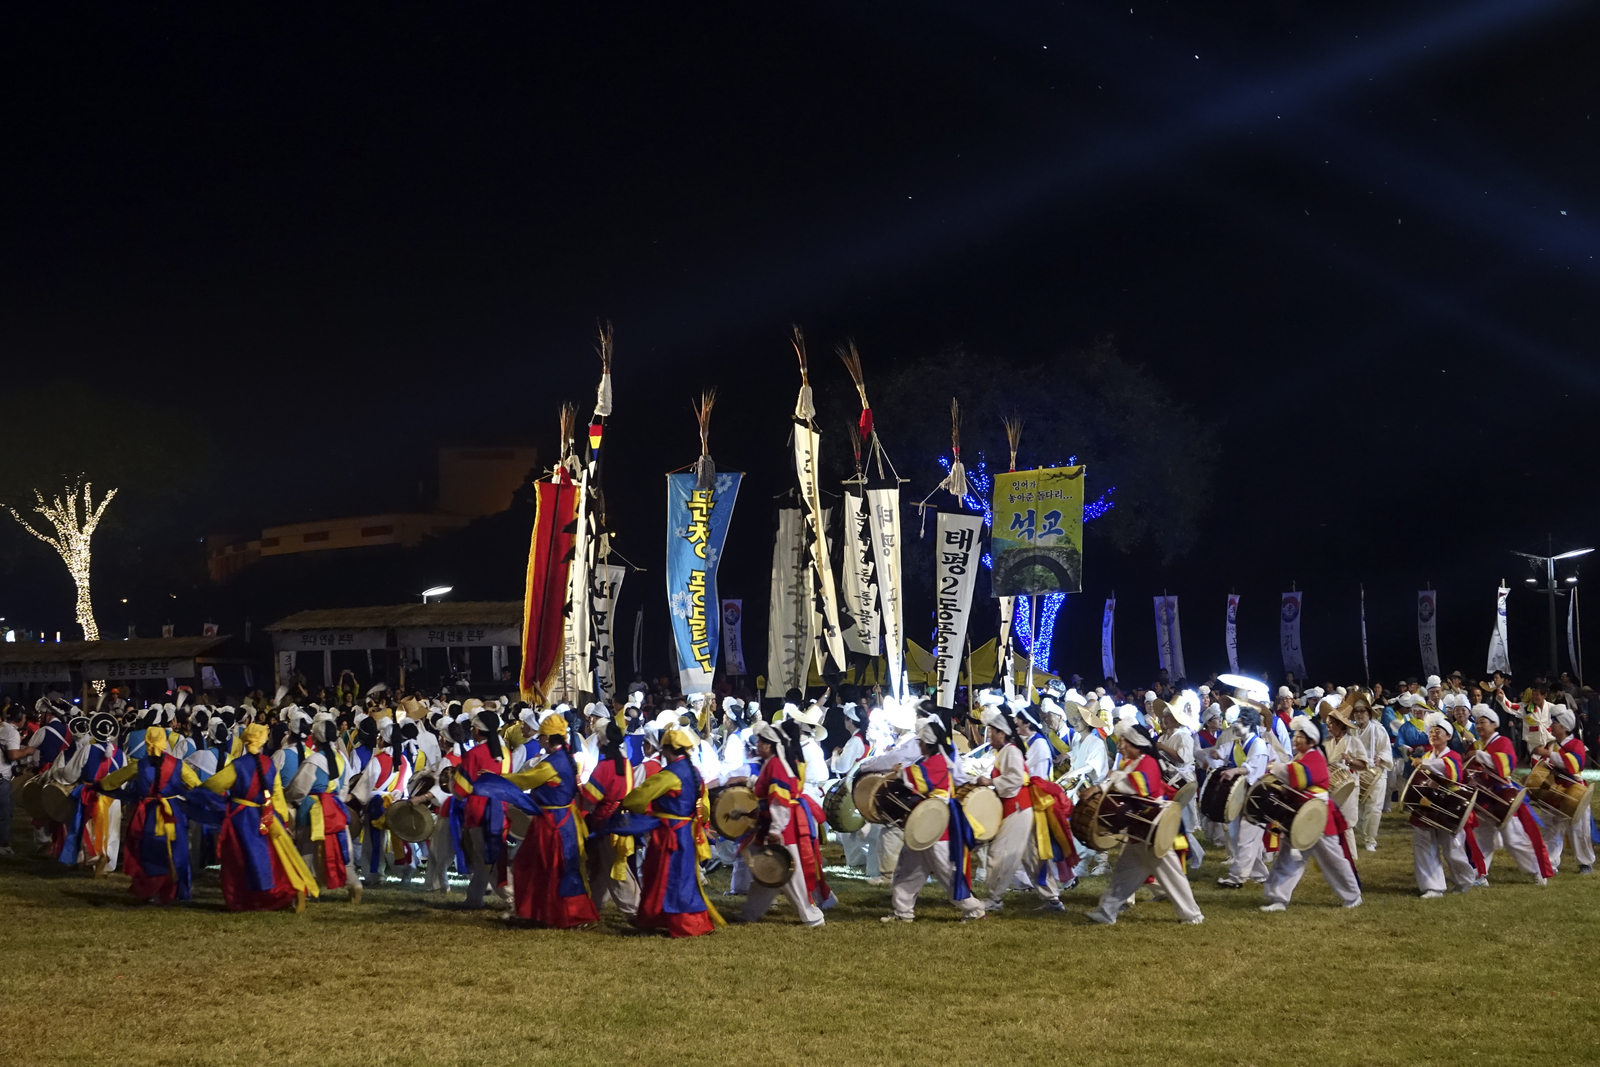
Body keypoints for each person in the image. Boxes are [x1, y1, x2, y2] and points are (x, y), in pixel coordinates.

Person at [475, 713, 599, 928]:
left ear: (548, 738)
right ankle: (538, 912)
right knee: (542, 867)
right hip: (558, 822)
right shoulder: (565, 758)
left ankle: (573, 916)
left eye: (541, 737)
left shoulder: (553, 764)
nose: (538, 740)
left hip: (553, 825)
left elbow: (525, 780)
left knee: (549, 868)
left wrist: (494, 778)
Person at [1084, 722, 1204, 926]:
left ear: (1137, 744)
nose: (1121, 746)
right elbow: (1121, 784)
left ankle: (1193, 915)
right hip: (1139, 831)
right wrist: (1108, 783)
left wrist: (1110, 781)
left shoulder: (1148, 762)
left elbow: (1138, 785)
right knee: (1124, 874)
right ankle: (1107, 912)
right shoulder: (1132, 763)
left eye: (1125, 742)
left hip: (1153, 831)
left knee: (1172, 876)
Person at [611, 724, 723, 937]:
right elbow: (704, 807)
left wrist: (625, 805)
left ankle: (673, 922)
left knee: (662, 877)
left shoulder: (671, 774)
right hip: (686, 834)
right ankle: (679, 920)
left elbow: (641, 796)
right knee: (683, 878)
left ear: (668, 750)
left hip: (668, 835)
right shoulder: (694, 773)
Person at [196, 722, 321, 911]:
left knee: (239, 860)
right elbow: (277, 796)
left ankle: (245, 900)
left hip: (241, 819)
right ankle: (286, 891)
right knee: (271, 860)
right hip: (267, 817)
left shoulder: (238, 765)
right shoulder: (270, 765)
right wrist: (283, 822)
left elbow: (214, 785)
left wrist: (200, 794)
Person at [879, 715, 985, 924]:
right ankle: (903, 911)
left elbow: (917, 777)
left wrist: (899, 772)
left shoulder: (937, 762)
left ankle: (974, 910)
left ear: (927, 743)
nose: (918, 745)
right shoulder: (933, 760)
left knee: (947, 872)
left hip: (937, 826)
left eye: (920, 741)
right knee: (908, 868)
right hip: (925, 823)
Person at [1255, 715, 1362, 912]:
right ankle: (1278, 898)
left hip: (1317, 816)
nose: (1295, 739)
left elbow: (1295, 775)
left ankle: (1353, 895)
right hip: (1300, 815)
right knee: (1287, 857)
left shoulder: (1314, 757)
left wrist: (1274, 767)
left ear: (1311, 741)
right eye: (1295, 735)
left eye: (1300, 736)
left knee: (1333, 858)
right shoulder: (1301, 757)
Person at [96, 726, 203, 903]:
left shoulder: (139, 765)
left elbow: (112, 781)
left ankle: (150, 890)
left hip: (148, 814)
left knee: (149, 851)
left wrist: (98, 785)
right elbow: (197, 785)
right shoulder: (178, 764)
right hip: (172, 814)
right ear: (164, 742)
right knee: (176, 851)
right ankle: (174, 891)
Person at [980, 707, 1067, 913]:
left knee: (1000, 854)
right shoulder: (1007, 750)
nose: (989, 736)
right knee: (1033, 856)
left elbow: (1017, 779)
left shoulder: (1010, 751)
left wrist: (990, 782)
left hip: (1017, 808)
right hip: (1021, 808)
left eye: (991, 732)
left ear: (1002, 733)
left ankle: (994, 898)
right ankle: (1053, 899)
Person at [742, 719, 827, 927]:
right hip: (775, 824)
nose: (757, 745)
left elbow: (779, 801)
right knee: (766, 871)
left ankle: (812, 916)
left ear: (768, 745)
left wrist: (776, 829)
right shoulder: (775, 763)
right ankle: (750, 913)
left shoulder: (776, 765)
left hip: (781, 828)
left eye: (760, 742)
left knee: (788, 874)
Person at [1468, 705, 1553, 885]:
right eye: (1477, 723)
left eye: (1483, 722)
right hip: (1483, 796)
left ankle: (1538, 869)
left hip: (1504, 796)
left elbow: (1505, 766)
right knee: (1482, 836)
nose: (1479, 726)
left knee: (1513, 839)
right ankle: (1478, 874)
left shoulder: (1502, 741)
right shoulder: (1477, 745)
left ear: (1494, 724)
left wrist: (1479, 756)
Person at [1407, 712, 1479, 898]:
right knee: (1424, 845)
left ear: (1448, 736)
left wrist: (1425, 763)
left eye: (1438, 731)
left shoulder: (1453, 756)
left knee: (1452, 849)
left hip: (1449, 806)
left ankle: (1464, 880)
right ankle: (1433, 887)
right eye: (1431, 731)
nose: (1433, 734)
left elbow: (1452, 773)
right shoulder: (1427, 756)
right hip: (1427, 806)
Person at [581, 721, 641, 918]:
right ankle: (592, 907)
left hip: (606, 825)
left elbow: (589, 800)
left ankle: (637, 911)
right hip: (622, 822)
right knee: (601, 869)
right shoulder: (626, 764)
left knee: (618, 873)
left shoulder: (604, 767)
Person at [1530, 707, 1594, 874]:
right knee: (1551, 827)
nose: (1551, 725)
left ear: (1564, 727)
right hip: (1552, 791)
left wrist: (1548, 754)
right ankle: (1550, 863)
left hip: (1574, 791)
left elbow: (1574, 764)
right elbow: (1540, 765)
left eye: (1555, 722)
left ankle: (1585, 862)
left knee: (1579, 829)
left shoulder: (1576, 744)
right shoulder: (1551, 744)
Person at [1214, 707, 1271, 888]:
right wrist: (1211, 754)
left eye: (1238, 722)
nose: (1234, 725)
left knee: (1246, 838)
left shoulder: (1258, 744)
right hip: (1241, 797)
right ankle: (1260, 874)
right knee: (1241, 836)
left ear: (1248, 724)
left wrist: (1235, 770)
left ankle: (1236, 878)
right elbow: (1219, 753)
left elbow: (1252, 768)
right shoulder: (1239, 743)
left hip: (1257, 798)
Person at [0, 701, 33, 856]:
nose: (25, 720)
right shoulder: (11, 732)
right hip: (1, 779)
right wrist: (27, 751)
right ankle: (2, 846)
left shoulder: (2, 728)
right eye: (24, 717)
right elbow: (13, 754)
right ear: (19, 717)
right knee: (4, 813)